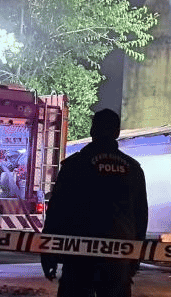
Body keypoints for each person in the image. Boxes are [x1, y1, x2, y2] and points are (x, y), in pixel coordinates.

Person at [41, 109, 148, 297]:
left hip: (78, 256)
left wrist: (48, 253)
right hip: (118, 257)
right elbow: (140, 216)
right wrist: (135, 256)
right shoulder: (133, 169)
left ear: (92, 131)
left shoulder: (74, 165)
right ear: (117, 132)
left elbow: (57, 212)